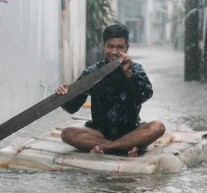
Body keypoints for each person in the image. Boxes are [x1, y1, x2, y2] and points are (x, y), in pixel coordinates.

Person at [56, 24, 165, 156]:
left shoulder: (135, 69)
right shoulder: (92, 72)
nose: (114, 52)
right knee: (67, 134)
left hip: (131, 131)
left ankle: (107, 148)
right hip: (99, 133)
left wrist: (128, 74)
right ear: (103, 46)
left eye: (119, 47)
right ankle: (122, 147)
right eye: (110, 46)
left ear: (127, 48)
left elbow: (144, 96)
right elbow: (72, 107)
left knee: (158, 127)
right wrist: (63, 96)